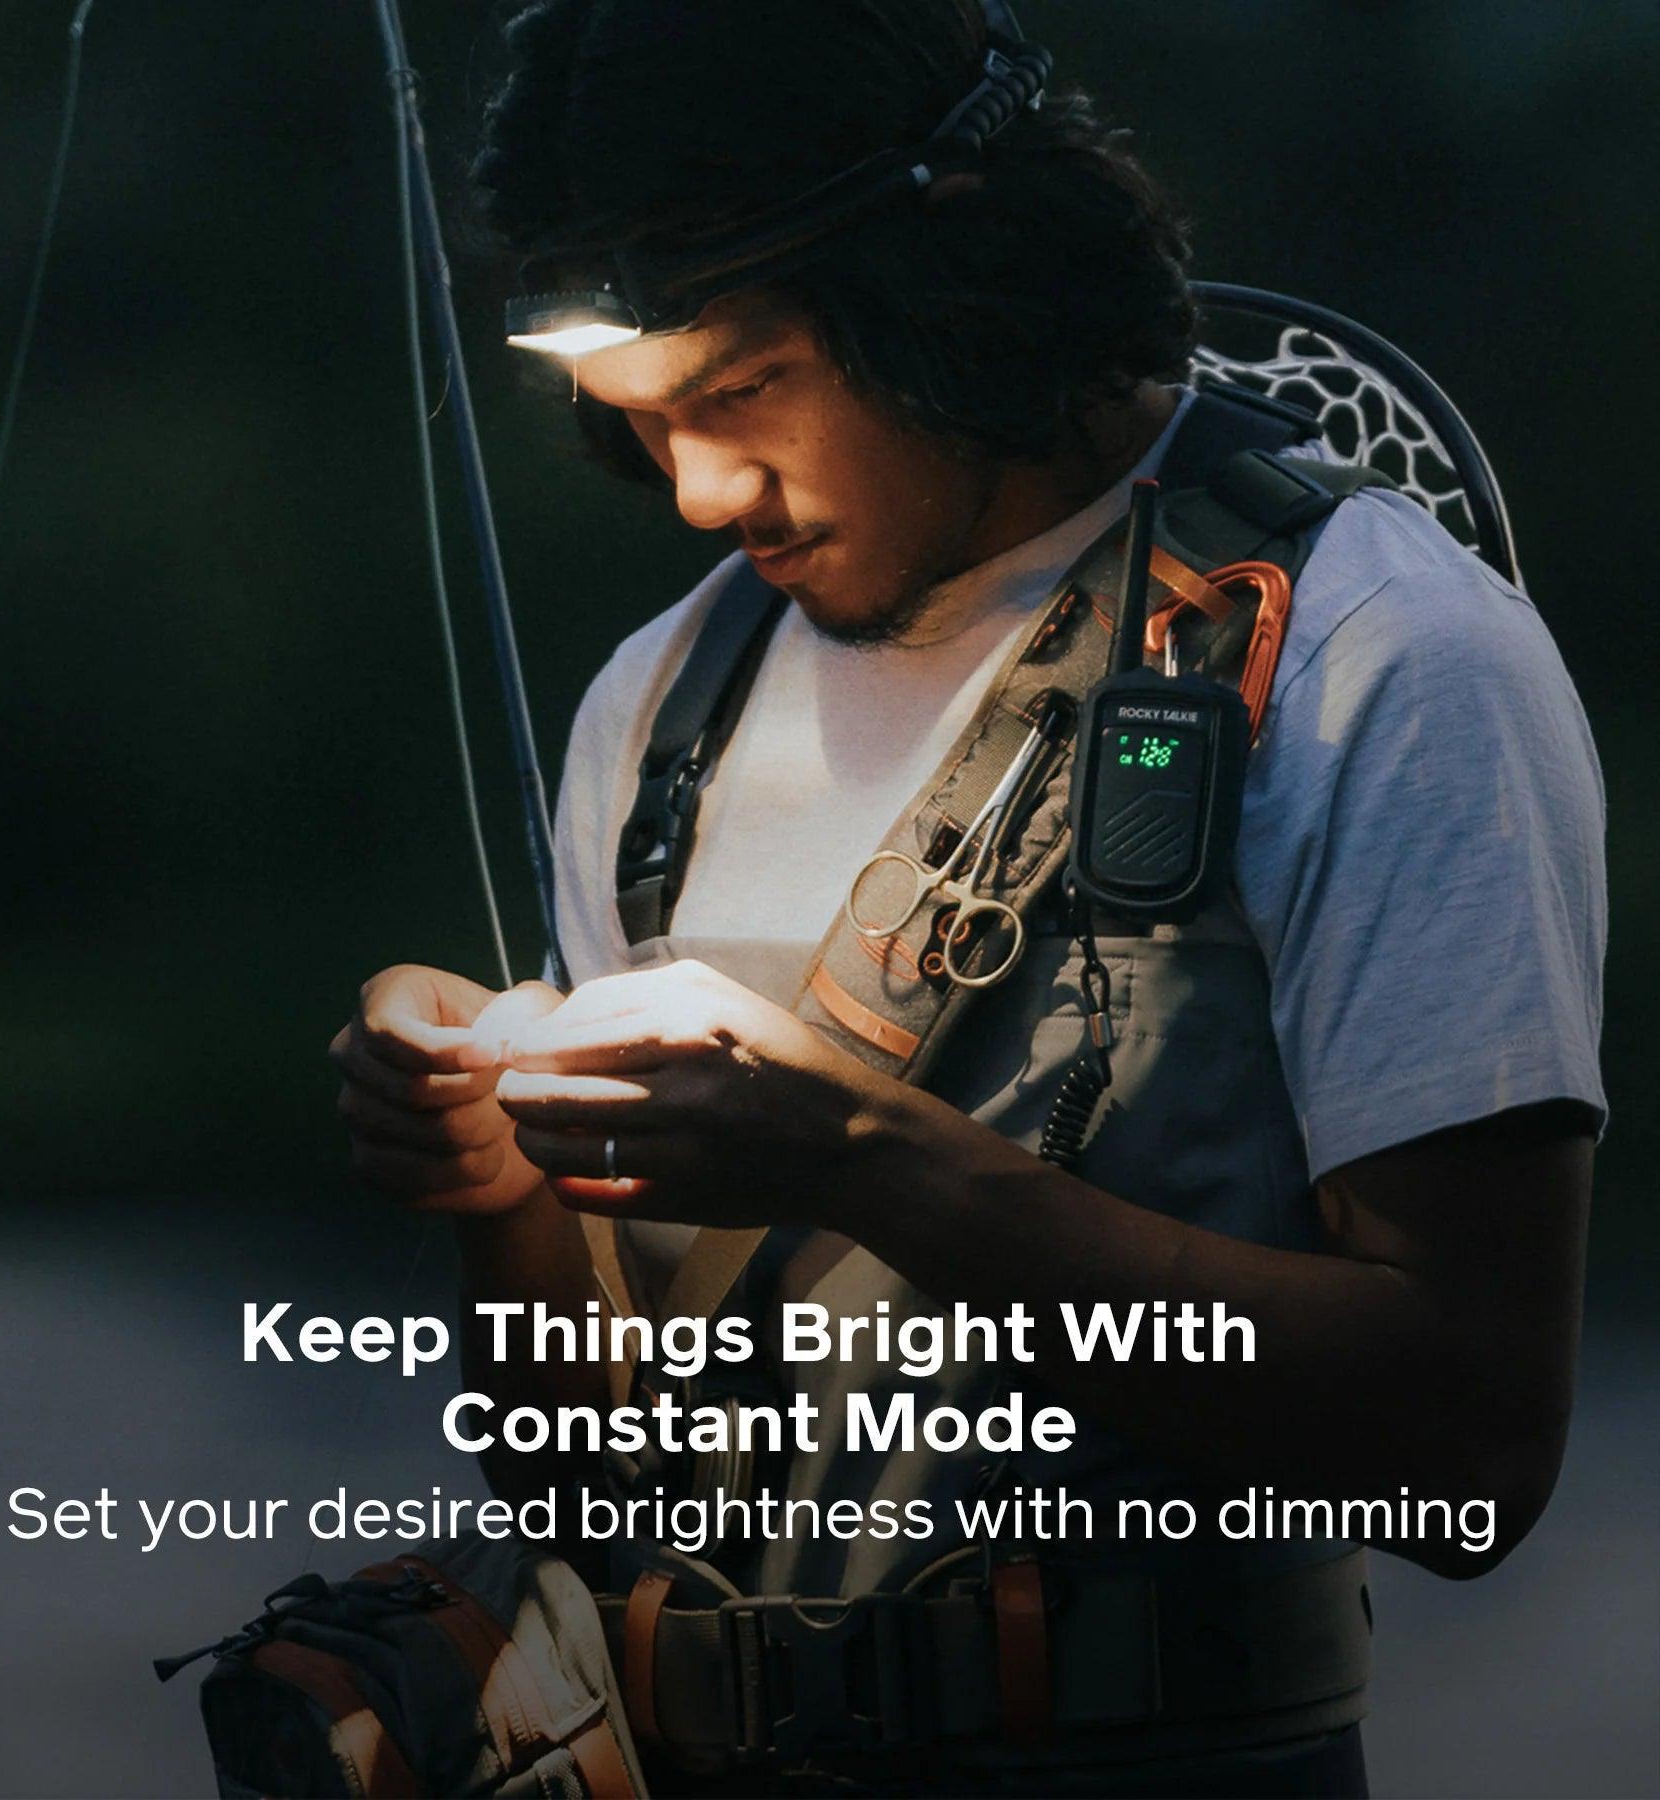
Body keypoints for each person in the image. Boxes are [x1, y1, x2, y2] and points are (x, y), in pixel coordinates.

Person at [329, 3, 1606, 1793]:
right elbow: (585, 1490)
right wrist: (491, 1198)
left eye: (743, 391)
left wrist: (868, 1157)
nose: (700, 492)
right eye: (639, 417)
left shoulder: (1387, 660)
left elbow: (1473, 1463)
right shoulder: (658, 704)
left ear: (952, 280)